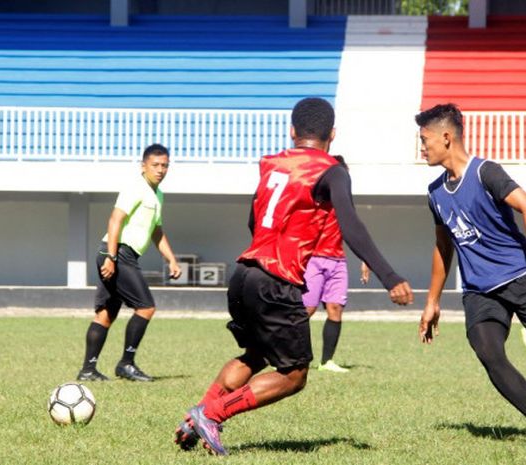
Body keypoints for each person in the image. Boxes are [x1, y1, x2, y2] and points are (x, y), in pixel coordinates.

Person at [174, 97, 414, 455]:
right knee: (294, 374)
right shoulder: (332, 170)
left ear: (292, 131)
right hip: (275, 280)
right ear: (332, 134)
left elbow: (253, 220)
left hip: (244, 273)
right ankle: (210, 414)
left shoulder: (273, 165)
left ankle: (195, 419)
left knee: (255, 354)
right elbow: (351, 225)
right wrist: (390, 276)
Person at [416, 103, 526, 445]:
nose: (421, 147)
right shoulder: (435, 193)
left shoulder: (487, 172)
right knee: (488, 352)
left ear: (446, 137)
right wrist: (432, 301)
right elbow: (443, 247)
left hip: (521, 277)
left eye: (424, 140)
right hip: (480, 291)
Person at [76, 143, 181, 382]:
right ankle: (126, 363)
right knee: (146, 307)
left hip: (122, 254)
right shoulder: (135, 188)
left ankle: (88, 370)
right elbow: (115, 221)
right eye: (155, 165)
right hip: (118, 253)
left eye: (165, 165)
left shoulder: (158, 194)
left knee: (105, 314)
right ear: (143, 166)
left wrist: (171, 259)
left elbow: (157, 231)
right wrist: (112, 257)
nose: (160, 169)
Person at [301, 155, 369, 373]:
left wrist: (365, 259)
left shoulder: (345, 204)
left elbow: (354, 232)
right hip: (314, 260)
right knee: (306, 310)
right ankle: (289, 356)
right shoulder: (315, 201)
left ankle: (326, 362)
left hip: (338, 262)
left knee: (335, 309)